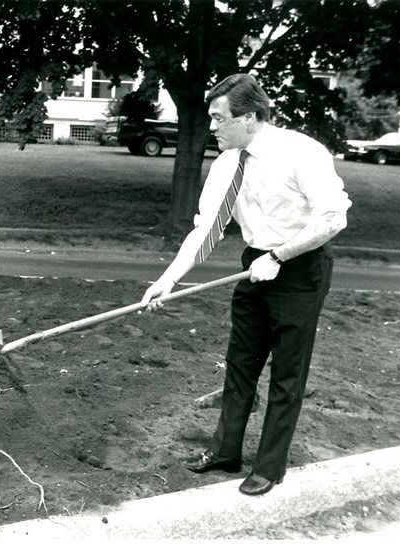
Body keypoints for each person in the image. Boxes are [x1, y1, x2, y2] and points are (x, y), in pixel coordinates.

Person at [141, 73, 351, 495]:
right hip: (254, 264)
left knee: (287, 372)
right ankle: (224, 451)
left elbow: (333, 217)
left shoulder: (301, 152)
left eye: (219, 119)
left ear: (250, 117)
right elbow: (206, 229)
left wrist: (279, 257)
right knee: (240, 362)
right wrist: (166, 281)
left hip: (300, 266)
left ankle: (270, 466)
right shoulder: (225, 164)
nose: (212, 127)